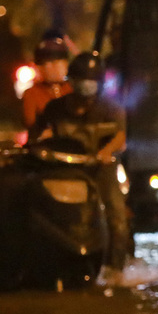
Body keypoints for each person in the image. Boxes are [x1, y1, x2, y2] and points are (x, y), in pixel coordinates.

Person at [28, 54, 129, 269]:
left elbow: (120, 136)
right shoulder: (55, 108)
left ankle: (116, 267)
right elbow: (36, 134)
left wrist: (105, 152)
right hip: (64, 168)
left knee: (116, 217)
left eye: (90, 82)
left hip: (100, 168)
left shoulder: (111, 109)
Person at [22, 34, 74, 132]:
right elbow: (30, 122)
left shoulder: (73, 88)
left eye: (55, 62)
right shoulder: (32, 93)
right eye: (44, 63)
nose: (49, 68)